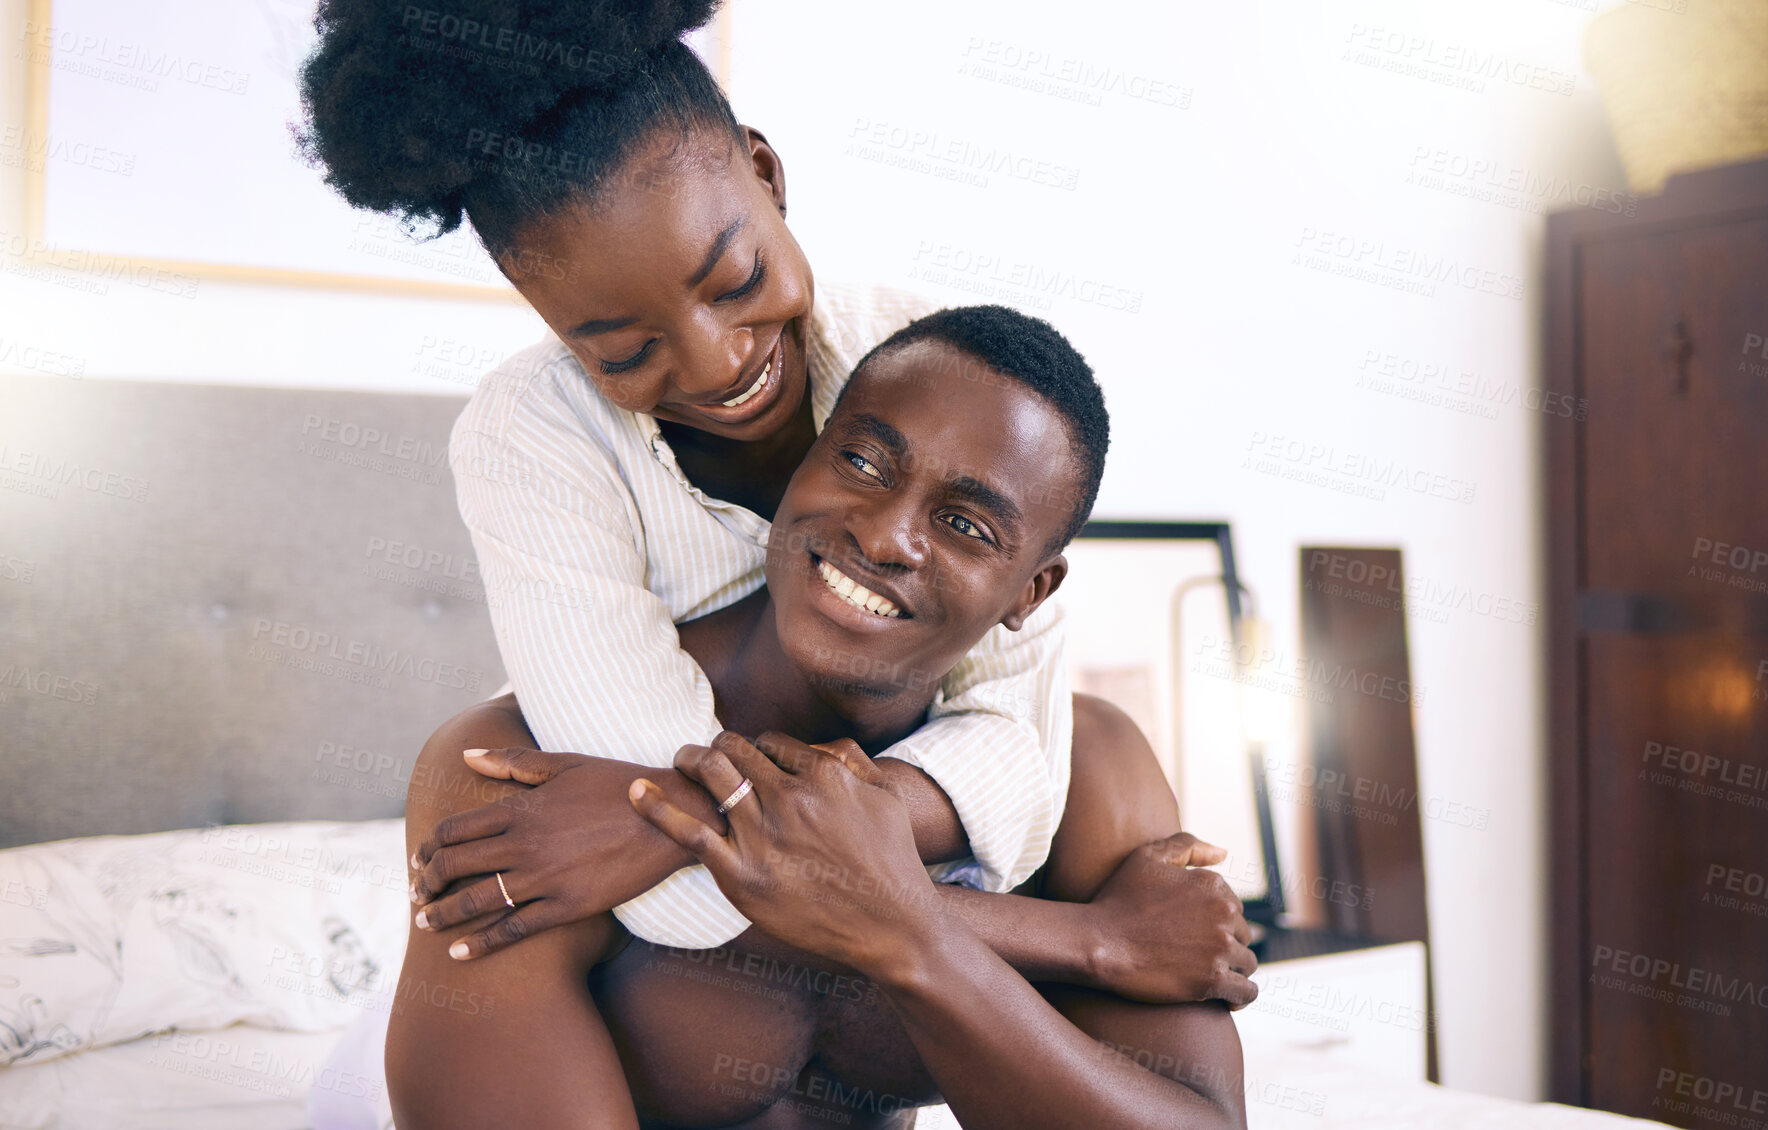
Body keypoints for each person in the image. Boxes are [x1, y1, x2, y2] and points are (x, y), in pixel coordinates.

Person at [299, 0, 1073, 959]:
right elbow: (679, 910)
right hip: (652, 997)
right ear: (544, 315)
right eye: (623, 348)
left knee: (1113, 751)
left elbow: (1023, 769)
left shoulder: (936, 368)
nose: (715, 367)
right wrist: (1075, 936)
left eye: (736, 280)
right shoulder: (534, 441)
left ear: (765, 173)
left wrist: (667, 814)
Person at [388, 305, 1251, 1128]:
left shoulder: (1088, 771)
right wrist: (1088, 942)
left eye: (963, 523)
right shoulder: (518, 774)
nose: (884, 538)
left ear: (1031, 592)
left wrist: (902, 930)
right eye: (864, 464)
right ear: (803, 462)